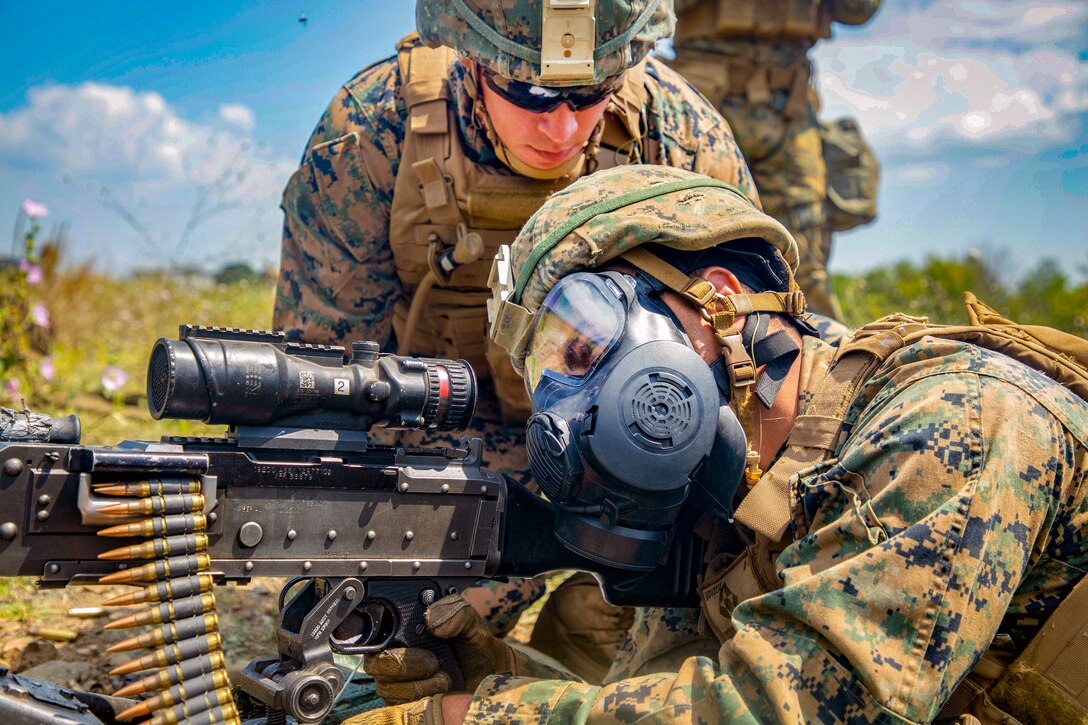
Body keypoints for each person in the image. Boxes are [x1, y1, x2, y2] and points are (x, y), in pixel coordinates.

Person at [355, 164, 1088, 724]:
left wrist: (479, 715)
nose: (567, 410)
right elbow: (671, 695)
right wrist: (500, 678)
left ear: (717, 304)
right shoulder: (725, 496)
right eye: (545, 376)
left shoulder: (953, 419)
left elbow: (790, 707)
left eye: (583, 347)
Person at [271, 0, 760, 682]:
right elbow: (316, 376)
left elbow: (746, 364)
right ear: (471, 57)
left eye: (589, 96)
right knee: (381, 650)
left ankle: (578, 630)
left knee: (654, 629)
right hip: (427, 459)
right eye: (529, 95)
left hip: (615, 458)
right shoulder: (372, 135)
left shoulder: (678, 136)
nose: (560, 128)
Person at [668, 0, 883, 321]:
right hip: (701, 100)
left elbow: (858, 10)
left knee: (802, 261)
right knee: (677, 237)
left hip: (788, 109)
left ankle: (818, 361)